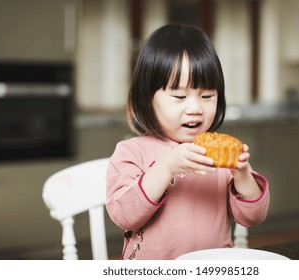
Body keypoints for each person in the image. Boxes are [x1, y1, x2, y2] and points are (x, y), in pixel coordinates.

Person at [106, 24, 270, 260]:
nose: (195, 108)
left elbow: (252, 218)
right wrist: (166, 167)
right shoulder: (132, 152)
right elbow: (124, 215)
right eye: (180, 97)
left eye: (207, 96)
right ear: (146, 99)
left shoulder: (218, 156)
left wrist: (242, 175)